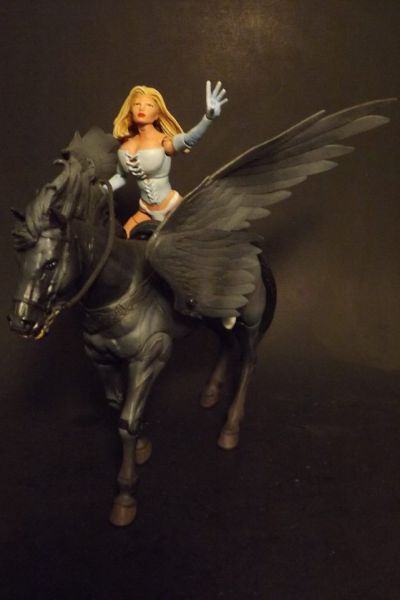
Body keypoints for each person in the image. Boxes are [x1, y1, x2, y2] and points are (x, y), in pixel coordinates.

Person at [109, 81, 228, 238]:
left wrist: (208, 118)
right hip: (145, 210)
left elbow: (189, 139)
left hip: (172, 207)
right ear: (130, 110)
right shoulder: (125, 147)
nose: (142, 108)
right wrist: (101, 189)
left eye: (149, 105)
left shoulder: (163, 141)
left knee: (195, 241)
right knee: (121, 240)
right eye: (137, 104)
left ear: (157, 114)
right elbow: (121, 176)